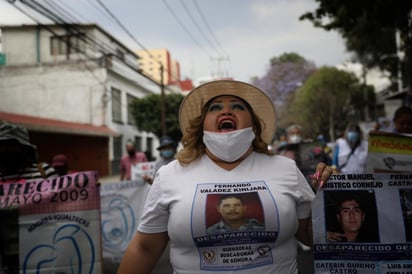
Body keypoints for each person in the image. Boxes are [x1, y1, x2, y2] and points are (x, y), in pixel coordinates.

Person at [117, 80, 332, 273]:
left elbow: (312, 237)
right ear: (201, 125)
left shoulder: (286, 169)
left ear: (254, 126)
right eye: (215, 108)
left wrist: (331, 199)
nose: (226, 111)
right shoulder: (169, 175)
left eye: (237, 107)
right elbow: (145, 248)